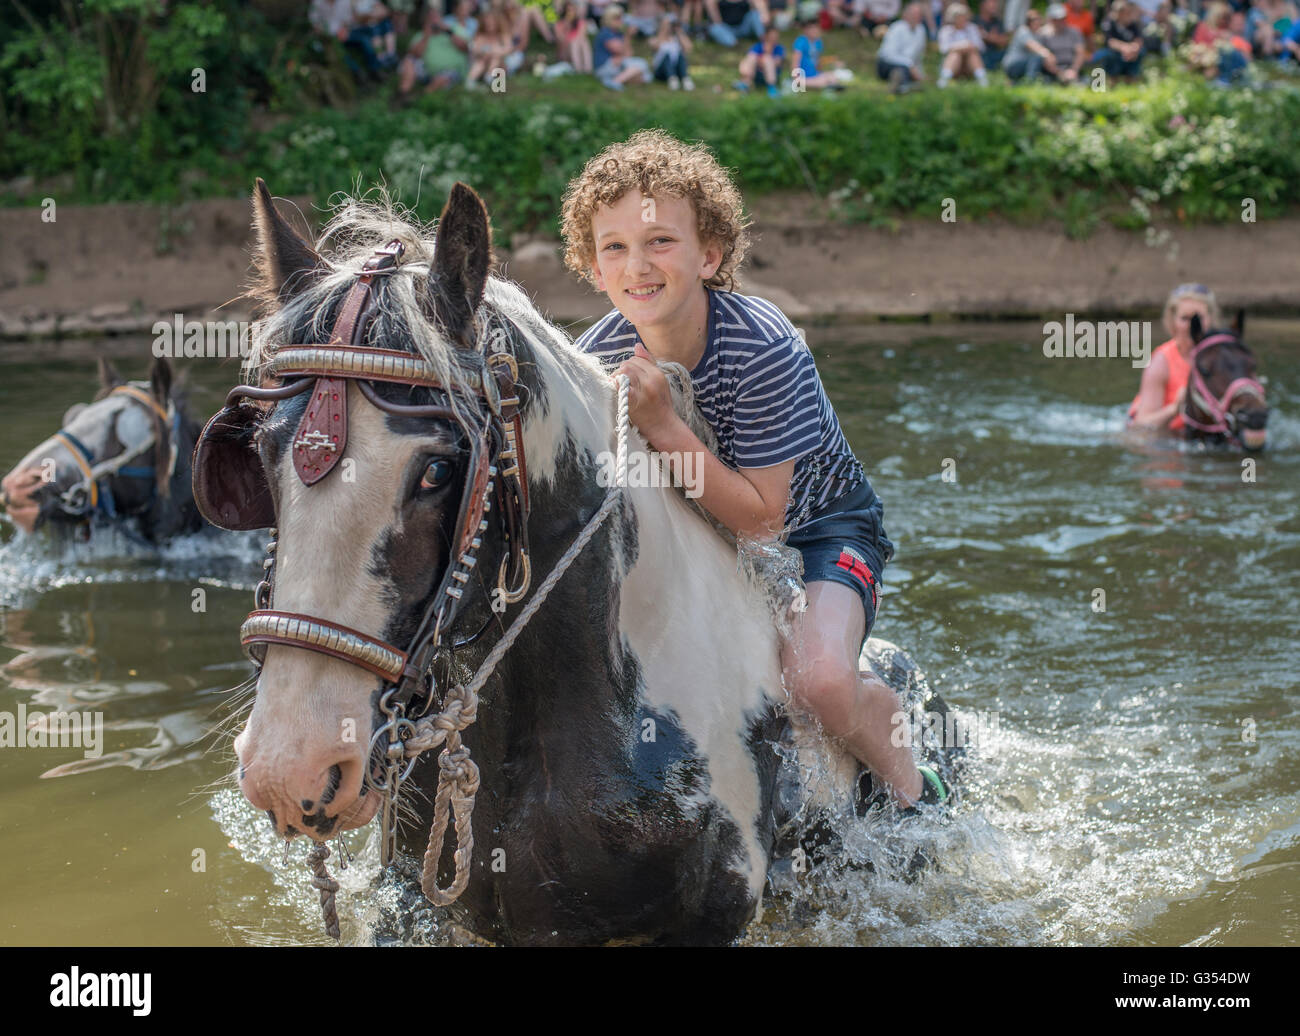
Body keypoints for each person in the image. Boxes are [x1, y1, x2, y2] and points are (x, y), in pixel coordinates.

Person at [561, 129, 951, 812]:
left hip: (820, 529)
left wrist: (662, 426)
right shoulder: (593, 360)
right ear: (594, 269)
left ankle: (917, 789)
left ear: (710, 254)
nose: (637, 264)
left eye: (660, 241)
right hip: (701, 535)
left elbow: (766, 518)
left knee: (819, 683)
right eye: (614, 247)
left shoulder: (762, 343)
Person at [1128, 283, 1221, 432]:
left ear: (1210, 319)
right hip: (1167, 440)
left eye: (1199, 318)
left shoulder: (1221, 357)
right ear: (1173, 321)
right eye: (1185, 318)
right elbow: (1140, 426)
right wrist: (1176, 408)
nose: (1192, 326)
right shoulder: (1161, 361)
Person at [593, 4, 653, 88]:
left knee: (645, 77)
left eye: (621, 17)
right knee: (641, 65)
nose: (621, 20)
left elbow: (629, 54)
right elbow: (621, 52)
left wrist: (627, 37)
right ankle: (614, 81)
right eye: (617, 18)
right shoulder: (605, 33)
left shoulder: (619, 34)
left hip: (617, 66)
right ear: (608, 19)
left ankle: (614, 79)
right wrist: (628, 36)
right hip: (604, 68)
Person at [877, 1, 930, 89]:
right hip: (886, 63)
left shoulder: (921, 30)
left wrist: (920, 74)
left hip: (908, 66)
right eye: (914, 14)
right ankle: (902, 85)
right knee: (901, 69)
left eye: (919, 14)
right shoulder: (896, 28)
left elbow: (918, 57)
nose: (916, 17)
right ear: (906, 15)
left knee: (904, 70)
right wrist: (909, 65)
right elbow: (889, 55)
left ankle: (904, 85)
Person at [1091, 0, 1146, 81]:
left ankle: (1131, 78)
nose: (1128, 15)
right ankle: (1112, 79)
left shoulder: (1132, 24)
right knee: (1106, 55)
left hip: (1130, 53)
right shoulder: (1109, 22)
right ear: (1119, 13)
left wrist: (1134, 48)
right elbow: (1110, 41)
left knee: (1141, 52)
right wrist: (1124, 48)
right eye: (1126, 12)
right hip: (1114, 52)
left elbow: (1139, 40)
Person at [792, 14, 851, 87]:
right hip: (804, 76)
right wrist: (796, 79)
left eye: (816, 28)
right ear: (805, 30)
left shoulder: (818, 42)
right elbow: (795, 61)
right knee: (822, 82)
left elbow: (818, 62)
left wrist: (832, 63)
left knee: (833, 77)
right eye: (812, 28)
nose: (815, 30)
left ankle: (827, 85)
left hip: (814, 74)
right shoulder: (801, 42)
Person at [937, 2, 989, 84]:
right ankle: (944, 81)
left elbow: (980, 46)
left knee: (973, 54)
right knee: (955, 55)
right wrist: (963, 47)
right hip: (953, 65)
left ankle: (983, 80)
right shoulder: (946, 30)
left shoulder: (972, 28)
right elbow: (944, 49)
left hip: (969, 65)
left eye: (964, 17)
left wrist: (966, 48)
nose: (962, 19)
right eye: (959, 17)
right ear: (953, 18)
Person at [1036, 2, 1086, 82]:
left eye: (1063, 18)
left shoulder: (1074, 32)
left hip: (1071, 68)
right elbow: (1043, 56)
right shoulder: (1042, 34)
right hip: (1051, 71)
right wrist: (1059, 73)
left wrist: (1074, 70)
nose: (1060, 21)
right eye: (1056, 19)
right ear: (1050, 19)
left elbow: (1080, 53)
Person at [1003, 7, 1056, 79]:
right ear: (1029, 22)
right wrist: (1049, 55)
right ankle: (1030, 81)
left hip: (1025, 65)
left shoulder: (1037, 33)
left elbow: (1049, 30)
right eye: (1034, 20)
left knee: (1040, 60)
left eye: (1039, 20)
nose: (1037, 22)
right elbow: (1035, 48)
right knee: (1037, 57)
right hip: (1012, 65)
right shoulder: (1023, 31)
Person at [736, 23, 786, 92]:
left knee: (767, 59)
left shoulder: (779, 48)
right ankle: (746, 82)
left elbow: (777, 62)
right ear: (766, 36)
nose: (773, 38)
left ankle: (771, 87)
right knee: (751, 58)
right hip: (756, 74)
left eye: (775, 35)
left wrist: (764, 59)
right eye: (771, 35)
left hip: (772, 75)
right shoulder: (758, 46)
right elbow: (749, 59)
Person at [652, 11, 697, 88]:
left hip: (676, 68)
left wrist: (679, 30)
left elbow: (689, 48)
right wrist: (664, 28)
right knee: (666, 55)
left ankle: (685, 78)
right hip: (661, 71)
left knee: (680, 54)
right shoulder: (655, 38)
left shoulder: (676, 39)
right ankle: (672, 79)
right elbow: (655, 47)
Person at [705, 0, 769, 45]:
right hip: (727, 28)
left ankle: (764, 39)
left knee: (754, 14)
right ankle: (733, 42)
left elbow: (759, 3)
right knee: (715, 28)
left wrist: (764, 13)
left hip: (743, 27)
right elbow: (716, 20)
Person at [556, 0, 595, 72]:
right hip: (565, 52)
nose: (571, 12)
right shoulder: (560, 24)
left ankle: (588, 69)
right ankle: (579, 70)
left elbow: (581, 36)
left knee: (584, 41)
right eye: (569, 10)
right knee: (575, 43)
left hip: (579, 49)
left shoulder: (581, 23)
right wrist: (566, 28)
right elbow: (561, 41)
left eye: (573, 10)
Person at [974, 0, 1009, 67]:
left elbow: (1005, 41)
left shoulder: (997, 21)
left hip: (995, 53)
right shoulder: (974, 21)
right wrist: (995, 38)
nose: (995, 5)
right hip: (981, 54)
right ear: (983, 5)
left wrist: (987, 37)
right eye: (991, 2)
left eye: (995, 2)